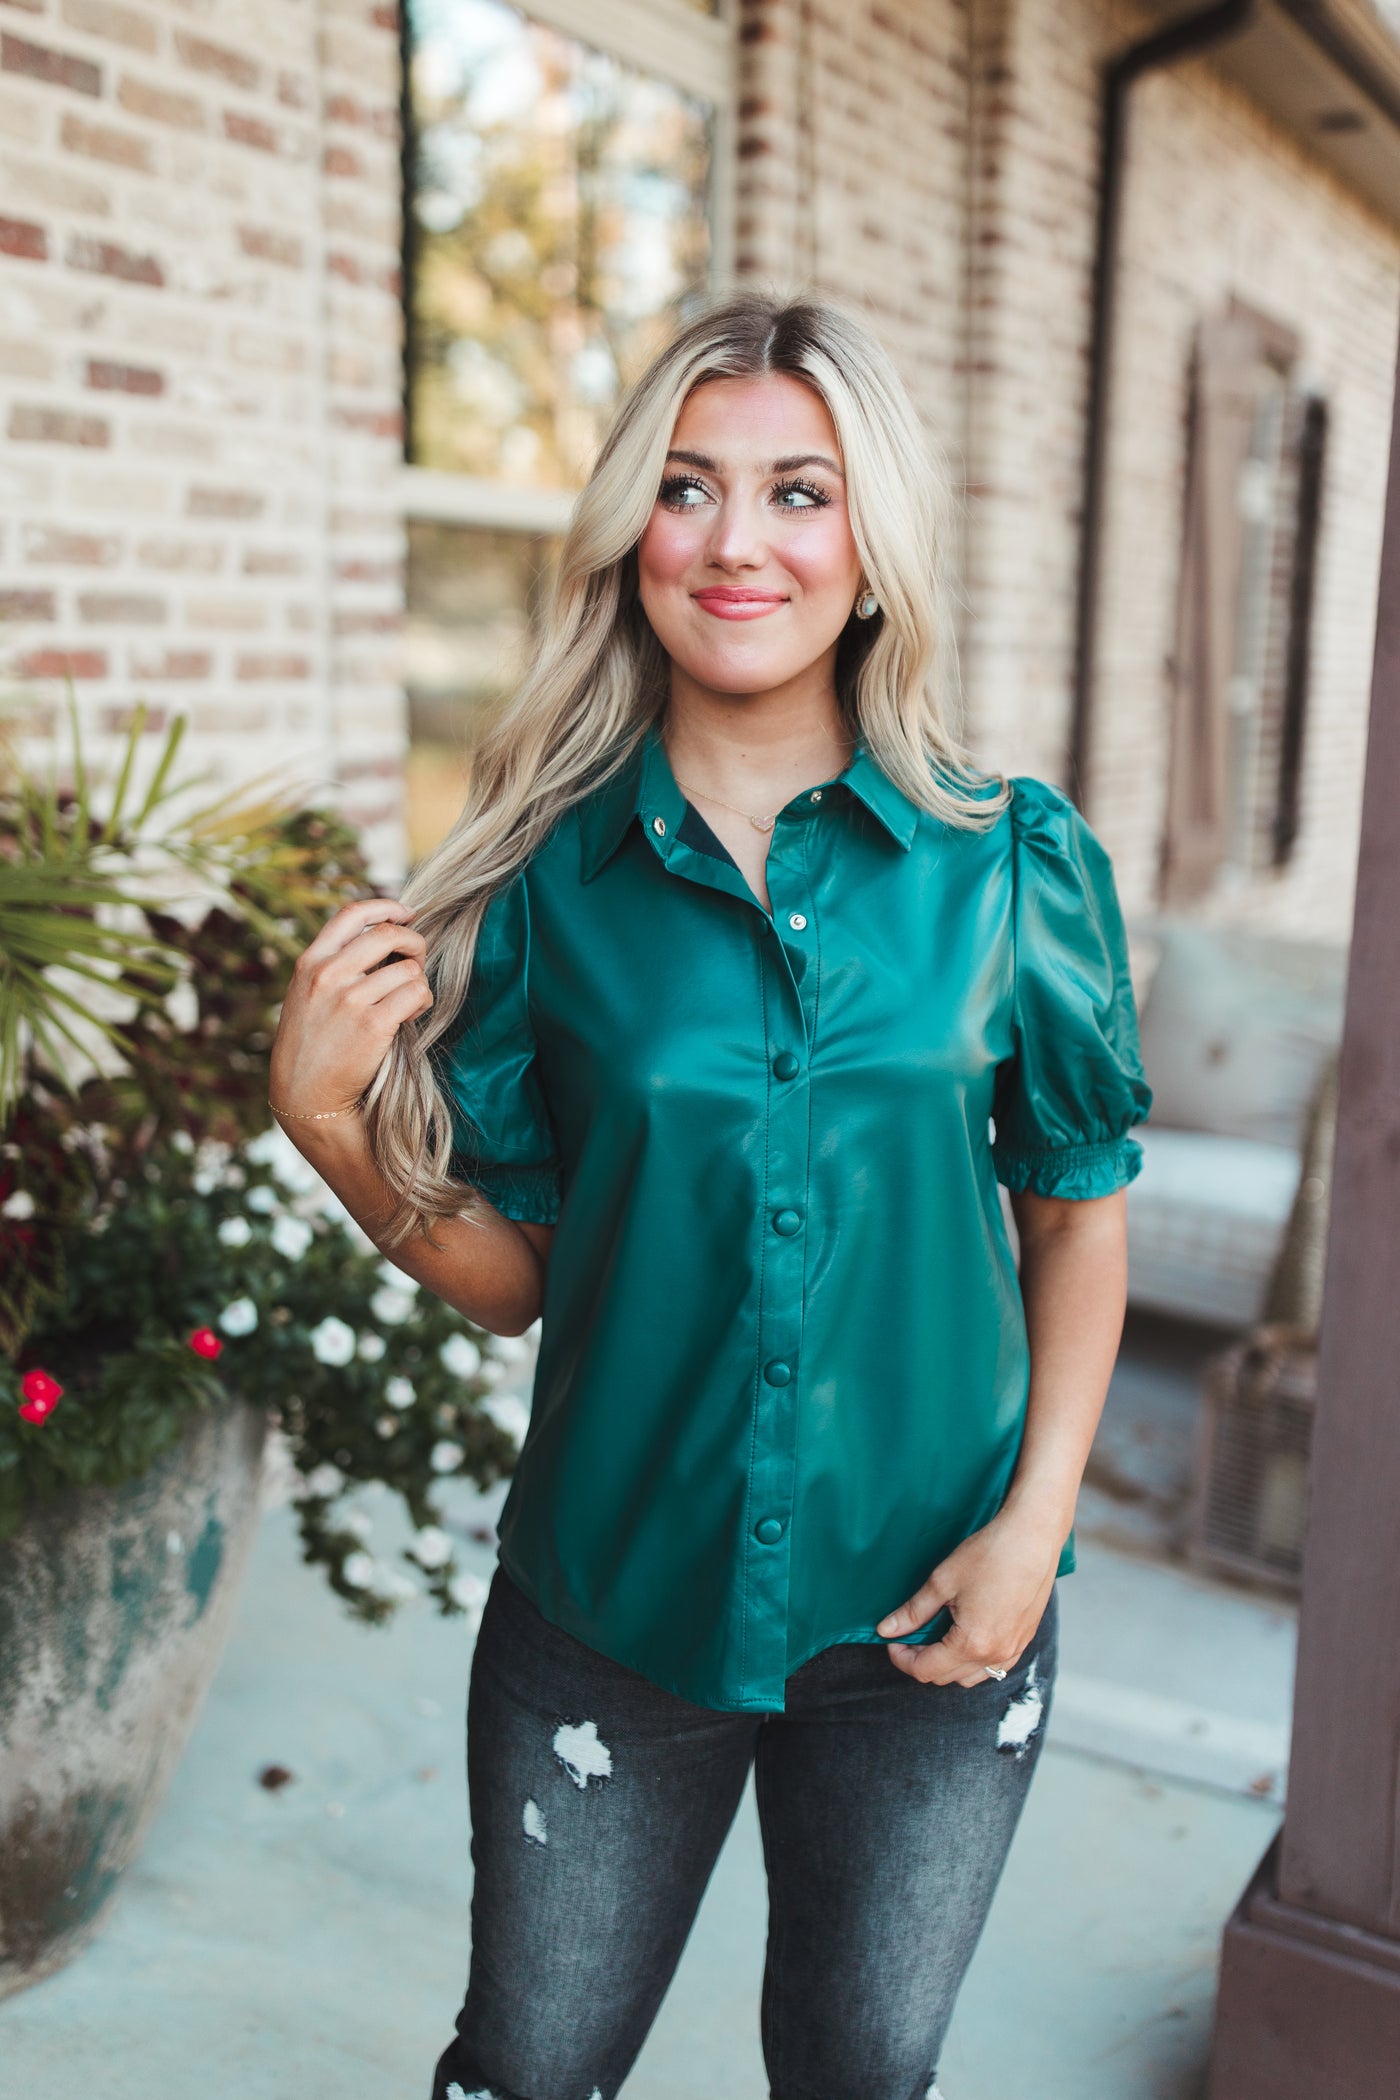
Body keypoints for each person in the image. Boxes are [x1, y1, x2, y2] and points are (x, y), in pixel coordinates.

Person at [269, 288, 1153, 2100]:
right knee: (529, 2067)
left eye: (800, 492)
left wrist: (1030, 1533)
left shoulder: (1011, 865)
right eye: (686, 487)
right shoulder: (543, 880)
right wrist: (341, 1137)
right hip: (614, 1598)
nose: (737, 541)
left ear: (874, 544)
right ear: (630, 539)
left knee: (861, 2072)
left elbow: (1073, 1210)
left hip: (935, 1612)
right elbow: (522, 1278)